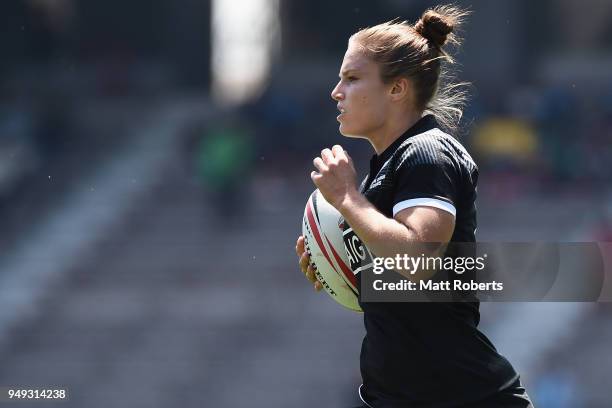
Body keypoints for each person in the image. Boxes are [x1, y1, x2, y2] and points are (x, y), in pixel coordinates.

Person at [295, 5, 534, 408]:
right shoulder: (390, 165)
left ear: (397, 88)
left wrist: (348, 199)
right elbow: (411, 294)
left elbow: (420, 258)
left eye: (352, 79)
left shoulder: (427, 153)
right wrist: (339, 264)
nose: (337, 92)